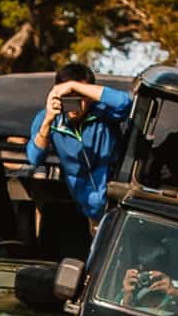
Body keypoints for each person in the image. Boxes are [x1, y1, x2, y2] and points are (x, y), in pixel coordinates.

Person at [24, 64, 132, 222]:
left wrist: (74, 86)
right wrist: (48, 121)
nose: (74, 104)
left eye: (80, 96)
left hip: (118, 201)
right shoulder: (46, 118)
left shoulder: (103, 111)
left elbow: (125, 103)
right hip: (85, 208)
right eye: (68, 97)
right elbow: (34, 158)